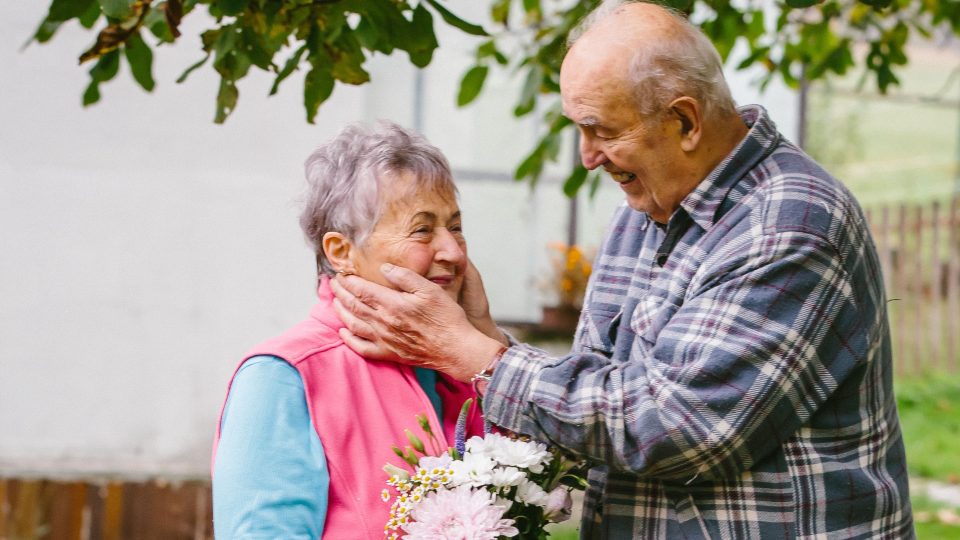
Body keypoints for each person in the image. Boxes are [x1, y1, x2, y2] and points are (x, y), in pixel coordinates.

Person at [329, 1, 915, 538]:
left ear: (685, 123)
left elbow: (676, 428)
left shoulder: (789, 221)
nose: (587, 157)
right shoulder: (647, 208)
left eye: (602, 131)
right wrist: (487, 339)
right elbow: (601, 391)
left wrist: (474, 356)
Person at [211, 121, 485, 539]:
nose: (451, 251)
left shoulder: (467, 366)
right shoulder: (282, 377)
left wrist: (484, 335)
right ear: (342, 251)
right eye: (423, 230)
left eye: (456, 227)